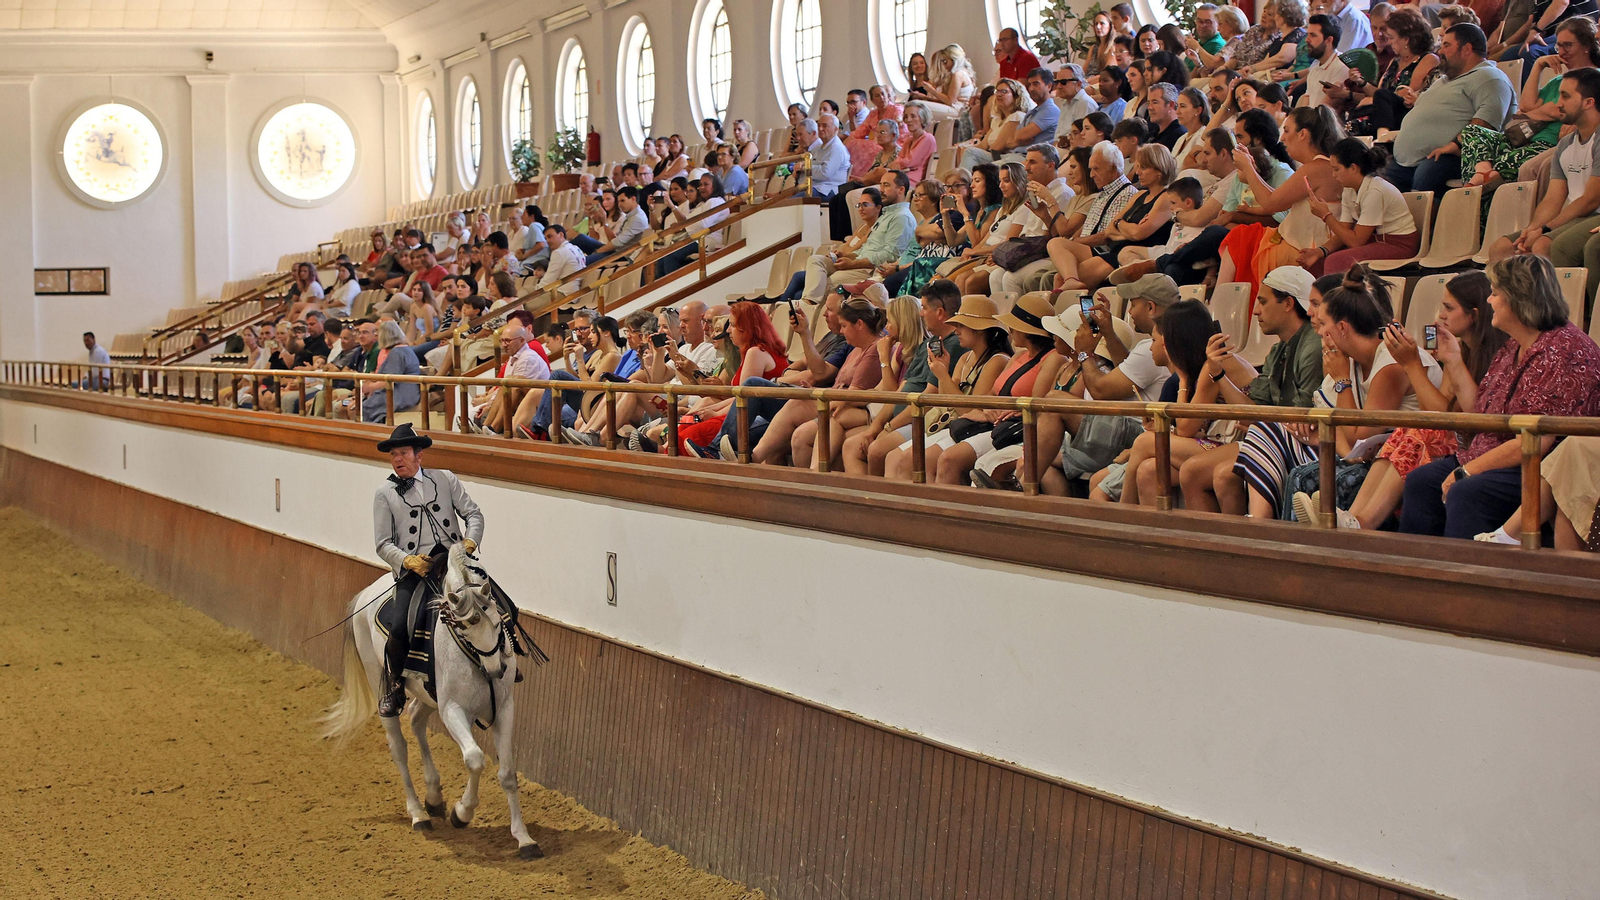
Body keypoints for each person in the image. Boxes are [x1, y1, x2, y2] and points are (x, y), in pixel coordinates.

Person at [1401, 254, 1600, 538]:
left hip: (1538, 467)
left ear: (1518, 299)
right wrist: (1454, 362)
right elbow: (1481, 414)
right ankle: (1421, 573)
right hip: (1495, 454)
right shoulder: (1512, 347)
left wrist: (1466, 471)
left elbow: (1534, 441)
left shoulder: (1563, 352)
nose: (1490, 301)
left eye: (1495, 294)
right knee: (1421, 481)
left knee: (1466, 491)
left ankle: (1470, 577)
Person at [1305, 272, 1507, 529]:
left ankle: (1363, 523)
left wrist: (1411, 363)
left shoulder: (1495, 356)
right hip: (1451, 437)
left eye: (1448, 308)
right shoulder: (1459, 349)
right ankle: (1352, 518)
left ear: (1474, 315)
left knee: (1416, 433)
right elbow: (1438, 408)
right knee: (1409, 431)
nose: (1440, 315)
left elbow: (1444, 417)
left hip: (1477, 443)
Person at [1179, 266, 1325, 514]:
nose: (1255, 310)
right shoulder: (1279, 350)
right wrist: (1218, 373)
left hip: (1301, 442)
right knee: (1191, 471)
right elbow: (1250, 411)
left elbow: (1300, 418)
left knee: (1220, 473)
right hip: (1275, 434)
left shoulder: (1312, 346)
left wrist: (1260, 420)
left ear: (1288, 303)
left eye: (1263, 302)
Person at [371, 424, 484, 717]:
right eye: (394, 455)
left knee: (501, 604)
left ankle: (505, 659)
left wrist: (471, 541)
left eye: (404, 453)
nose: (398, 459)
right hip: (416, 570)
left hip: (455, 562)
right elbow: (382, 544)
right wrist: (407, 561)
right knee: (399, 628)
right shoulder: (384, 494)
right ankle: (395, 687)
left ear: (419, 455)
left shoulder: (445, 479)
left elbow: (473, 513)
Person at [1484, 67, 1600, 313]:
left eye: (1566, 96)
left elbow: (1591, 200)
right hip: (1574, 215)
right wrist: (1532, 228)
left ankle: (1561, 319)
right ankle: (1511, 317)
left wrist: (1546, 230)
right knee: (1501, 249)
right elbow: (1553, 198)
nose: (1558, 104)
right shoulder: (1566, 143)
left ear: (1589, 102)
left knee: (1545, 245)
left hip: (1593, 215)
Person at [1463, 18, 1600, 189]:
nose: (1562, 52)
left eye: (1568, 45)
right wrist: (1538, 65)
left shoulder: (1595, 79)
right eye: (1559, 46)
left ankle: (1480, 188)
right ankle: (1483, 174)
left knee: (1493, 168)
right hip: (1524, 138)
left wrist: (1536, 112)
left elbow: (1553, 111)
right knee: (1474, 132)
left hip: (1548, 144)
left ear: (1586, 46)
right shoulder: (1559, 80)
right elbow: (1526, 107)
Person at [1384, 23, 1517, 194]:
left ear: (1467, 49)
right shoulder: (1444, 80)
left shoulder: (1490, 78)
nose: (1440, 51)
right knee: (1382, 181)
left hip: (1455, 157)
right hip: (1407, 160)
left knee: (1426, 174)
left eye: (1446, 45)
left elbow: (1485, 125)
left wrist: (1454, 145)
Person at [1303, 137, 1420, 273]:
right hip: (1376, 239)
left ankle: (1336, 295)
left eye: (1336, 169)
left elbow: (1356, 241)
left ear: (1353, 168)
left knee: (1336, 261)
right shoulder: (1349, 188)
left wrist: (1326, 215)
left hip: (1399, 245)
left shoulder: (1374, 191)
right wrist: (1320, 252)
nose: (1333, 175)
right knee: (1317, 262)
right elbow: (1344, 233)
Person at [1335, 6, 1443, 136]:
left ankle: (1383, 138)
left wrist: (1373, 99)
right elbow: (1379, 91)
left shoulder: (1427, 59)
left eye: (1392, 38)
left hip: (1401, 115)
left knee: (1352, 124)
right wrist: (1362, 83)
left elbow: (1405, 95)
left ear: (1406, 40)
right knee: (1343, 121)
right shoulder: (1395, 61)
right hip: (1379, 111)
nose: (1389, 42)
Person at [1302, 14, 1352, 108]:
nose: (1307, 40)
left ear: (1329, 40)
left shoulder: (1341, 66)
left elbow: (1325, 112)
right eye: (1307, 35)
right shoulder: (1314, 69)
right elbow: (1304, 108)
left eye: (1313, 35)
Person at [809, 115, 851, 198]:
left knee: (791, 202)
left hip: (828, 190)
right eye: (819, 125)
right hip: (815, 187)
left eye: (825, 126)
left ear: (836, 129)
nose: (820, 129)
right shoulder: (816, 149)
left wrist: (805, 168)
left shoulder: (837, 148)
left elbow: (824, 173)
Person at [1144, 82, 1188, 149]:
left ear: (1171, 105)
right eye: (1148, 103)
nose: (1149, 107)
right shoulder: (1153, 132)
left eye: (1155, 102)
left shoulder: (1178, 136)